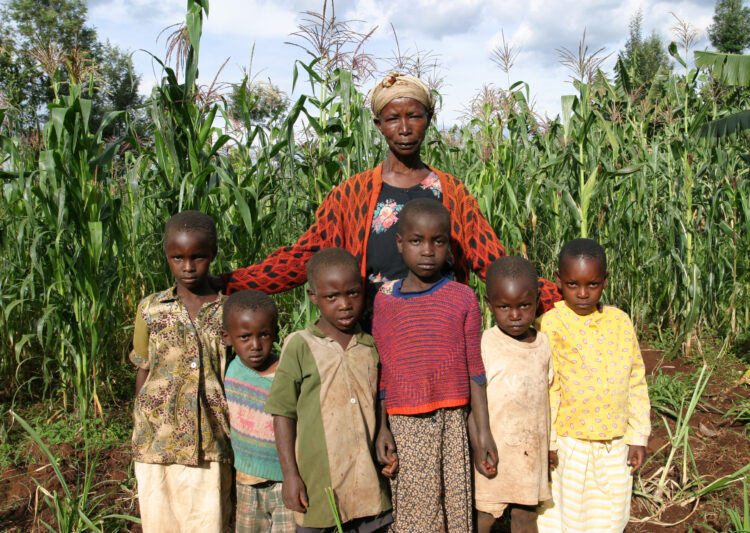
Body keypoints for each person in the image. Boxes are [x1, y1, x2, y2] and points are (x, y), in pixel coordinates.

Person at [220, 71, 561, 316]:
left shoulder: (452, 193)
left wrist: (568, 296)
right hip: (372, 332)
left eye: (414, 116)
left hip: (440, 327)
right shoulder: (351, 195)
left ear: (429, 119)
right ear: (378, 124)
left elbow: (493, 262)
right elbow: (303, 257)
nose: (404, 128)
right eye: (392, 118)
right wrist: (227, 284)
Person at [372, 198, 497, 532]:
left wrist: (482, 432)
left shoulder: (462, 297)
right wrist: (382, 426)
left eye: (437, 241)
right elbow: (384, 370)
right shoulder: (385, 302)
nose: (427, 250)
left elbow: (475, 368)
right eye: (416, 241)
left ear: (448, 244)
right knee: (418, 515)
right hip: (406, 424)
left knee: (457, 509)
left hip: (454, 420)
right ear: (400, 243)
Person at [266, 248, 392, 532]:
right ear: (314, 297)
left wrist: (383, 430)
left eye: (353, 293)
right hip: (318, 485)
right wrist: (290, 475)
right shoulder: (300, 345)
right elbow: (283, 413)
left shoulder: (371, 346)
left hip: (368, 483)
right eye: (332, 297)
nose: (345, 304)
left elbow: (379, 399)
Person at [536, 238, 651, 533]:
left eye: (593, 284)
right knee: (564, 516)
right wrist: (548, 443)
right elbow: (548, 389)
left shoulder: (620, 322)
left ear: (605, 281)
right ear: (559, 280)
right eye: (573, 285)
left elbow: (635, 379)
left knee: (609, 516)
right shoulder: (550, 324)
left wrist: (638, 435)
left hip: (614, 444)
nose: (583, 294)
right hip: (569, 444)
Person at [130, 210, 232, 532]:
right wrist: (139, 424)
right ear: (167, 256)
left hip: (211, 439)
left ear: (212, 254)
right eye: (178, 257)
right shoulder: (150, 309)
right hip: (156, 441)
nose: (188, 267)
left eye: (198, 257)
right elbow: (143, 368)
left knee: (210, 520)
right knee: (160, 520)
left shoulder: (230, 309)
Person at [475, 256, 553, 533]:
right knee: (485, 517)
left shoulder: (543, 345)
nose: (516, 315)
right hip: (492, 452)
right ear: (489, 305)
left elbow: (549, 398)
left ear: (537, 301)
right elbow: (474, 401)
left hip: (530, 453)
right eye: (504, 307)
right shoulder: (485, 344)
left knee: (525, 518)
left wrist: (550, 446)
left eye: (524, 306)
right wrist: (477, 445)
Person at [222, 290, 294, 533]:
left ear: (275, 332)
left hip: (286, 481)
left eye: (263, 335)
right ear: (227, 338)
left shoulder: (286, 372)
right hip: (246, 483)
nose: (255, 345)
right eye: (244, 337)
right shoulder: (229, 371)